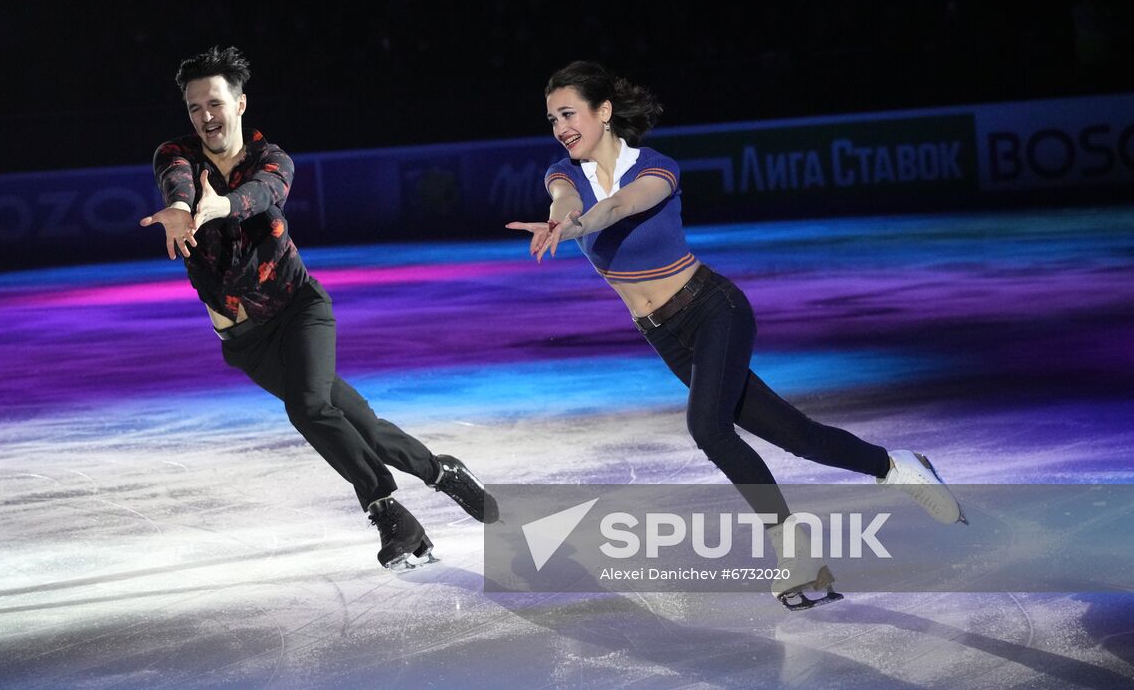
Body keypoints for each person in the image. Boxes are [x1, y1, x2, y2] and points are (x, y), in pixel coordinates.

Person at [508, 60, 965, 610]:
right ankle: (894, 467)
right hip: (664, 336)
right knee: (799, 436)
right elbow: (568, 203)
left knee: (709, 427)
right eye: (552, 117)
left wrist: (578, 227)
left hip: (713, 310)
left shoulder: (656, 167)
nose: (560, 127)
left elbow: (622, 205)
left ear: (603, 112)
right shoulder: (564, 173)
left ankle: (793, 551)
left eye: (569, 112)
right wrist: (564, 219)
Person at [141, 46, 497, 569]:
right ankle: (444, 474)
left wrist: (221, 206)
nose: (205, 117)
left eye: (214, 103)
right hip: (244, 342)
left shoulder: (273, 159)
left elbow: (264, 195)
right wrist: (179, 207)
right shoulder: (176, 155)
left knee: (308, 408)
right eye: (195, 108)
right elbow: (176, 181)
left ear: (240, 103)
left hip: (298, 310)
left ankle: (385, 508)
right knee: (358, 424)